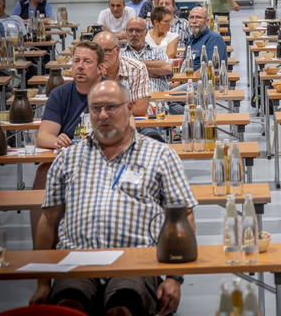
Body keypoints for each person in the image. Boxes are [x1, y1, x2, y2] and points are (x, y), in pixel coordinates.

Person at [29, 79, 197, 316]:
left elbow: (185, 217)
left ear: (129, 108)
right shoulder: (68, 159)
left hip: (135, 262)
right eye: (96, 109)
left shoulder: (160, 155)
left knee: (122, 307)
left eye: (111, 107)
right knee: (70, 306)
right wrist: (43, 284)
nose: (103, 115)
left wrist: (174, 279)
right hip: (77, 262)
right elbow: (48, 222)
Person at [29, 41, 107, 239]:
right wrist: (57, 140)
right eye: (76, 61)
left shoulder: (111, 92)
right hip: (69, 159)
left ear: (100, 68)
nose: (80, 66)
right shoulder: (59, 94)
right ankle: (42, 247)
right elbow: (43, 136)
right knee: (43, 173)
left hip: (105, 157)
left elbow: (126, 132)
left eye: (87, 61)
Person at [93, 30, 151, 117]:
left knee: (151, 131)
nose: (101, 56)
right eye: (97, 51)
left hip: (134, 123)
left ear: (117, 50)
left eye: (106, 51)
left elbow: (140, 109)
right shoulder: (90, 70)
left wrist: (108, 113)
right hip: (99, 124)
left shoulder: (137, 68)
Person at [121, 17, 173, 94]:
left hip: (157, 100)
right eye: (130, 30)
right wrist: (156, 68)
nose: (134, 34)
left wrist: (131, 67)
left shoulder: (158, 51)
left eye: (138, 30)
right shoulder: (120, 53)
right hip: (130, 100)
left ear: (146, 33)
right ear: (126, 32)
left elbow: (168, 69)